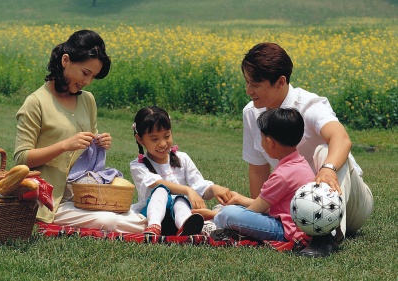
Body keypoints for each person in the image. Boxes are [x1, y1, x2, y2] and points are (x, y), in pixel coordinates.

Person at [239, 42, 374, 257]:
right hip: (300, 209)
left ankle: (325, 237)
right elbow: (257, 168)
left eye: (254, 84)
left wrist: (328, 168)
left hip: (350, 202)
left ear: (280, 81)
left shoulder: (310, 105)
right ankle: (312, 231)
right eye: (246, 82)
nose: (248, 91)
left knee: (324, 150)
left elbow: (342, 138)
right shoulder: (251, 113)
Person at [14, 30, 146, 233]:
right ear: (66, 60)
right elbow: (22, 160)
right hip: (50, 198)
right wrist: (65, 145)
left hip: (84, 191)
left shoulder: (88, 100)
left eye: (93, 76)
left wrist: (100, 142)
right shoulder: (36, 102)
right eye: (85, 73)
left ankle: (164, 220)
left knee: (129, 214)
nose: (88, 82)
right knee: (110, 221)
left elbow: (88, 154)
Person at [193, 108, 314, 245]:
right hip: (293, 223)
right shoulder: (300, 164)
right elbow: (270, 206)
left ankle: (214, 222)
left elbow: (254, 211)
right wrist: (239, 199)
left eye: (261, 138)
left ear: (269, 142)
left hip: (284, 230)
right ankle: (220, 215)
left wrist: (216, 214)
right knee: (230, 209)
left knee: (229, 214)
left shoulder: (282, 175)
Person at [130, 106, 233, 236]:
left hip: (179, 215)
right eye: (155, 139)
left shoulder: (182, 158)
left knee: (180, 200)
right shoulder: (137, 165)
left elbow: (199, 185)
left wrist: (213, 189)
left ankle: (187, 226)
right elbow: (157, 183)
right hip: (152, 216)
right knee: (161, 190)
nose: (162, 143)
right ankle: (154, 227)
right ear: (140, 139)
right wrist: (187, 190)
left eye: (166, 136)